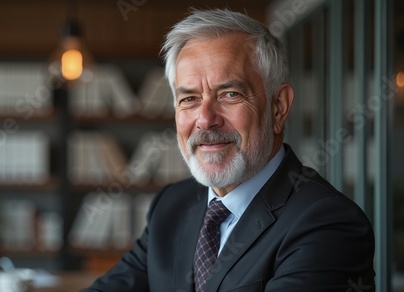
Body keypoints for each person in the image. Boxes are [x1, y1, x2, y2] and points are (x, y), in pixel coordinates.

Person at [82, 8, 375, 292]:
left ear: (278, 108)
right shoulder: (172, 205)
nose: (206, 119)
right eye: (189, 99)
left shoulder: (327, 224)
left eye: (230, 94)